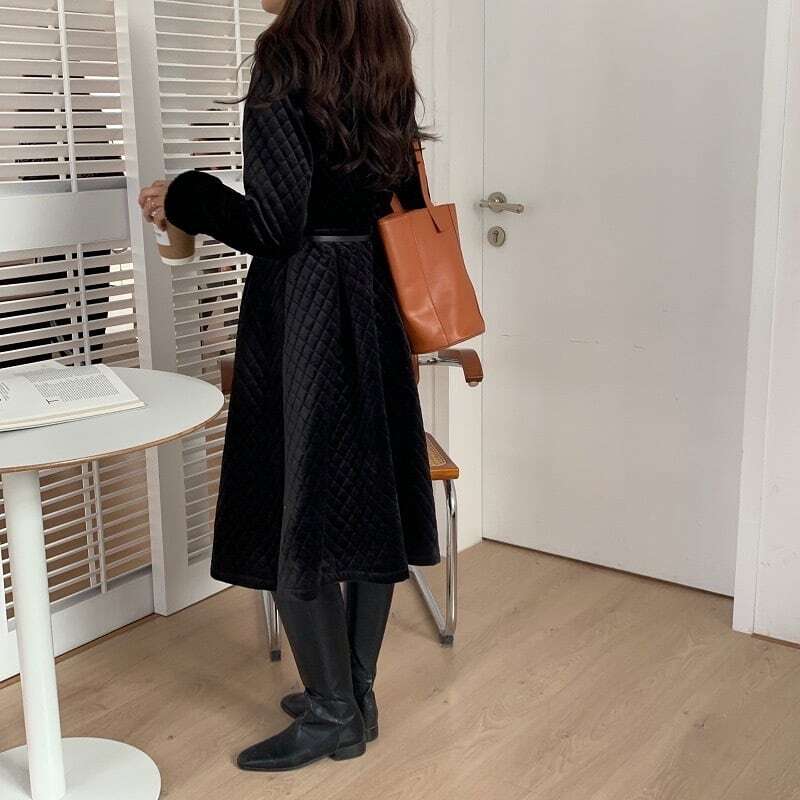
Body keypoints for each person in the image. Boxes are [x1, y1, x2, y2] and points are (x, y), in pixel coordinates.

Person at [138, 0, 440, 773]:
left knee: (290, 502)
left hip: (304, 305)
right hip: (369, 299)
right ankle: (355, 696)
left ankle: (334, 712)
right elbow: (397, 196)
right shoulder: (382, 53)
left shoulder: (285, 56)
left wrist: (187, 193)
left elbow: (274, 226)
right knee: (366, 504)